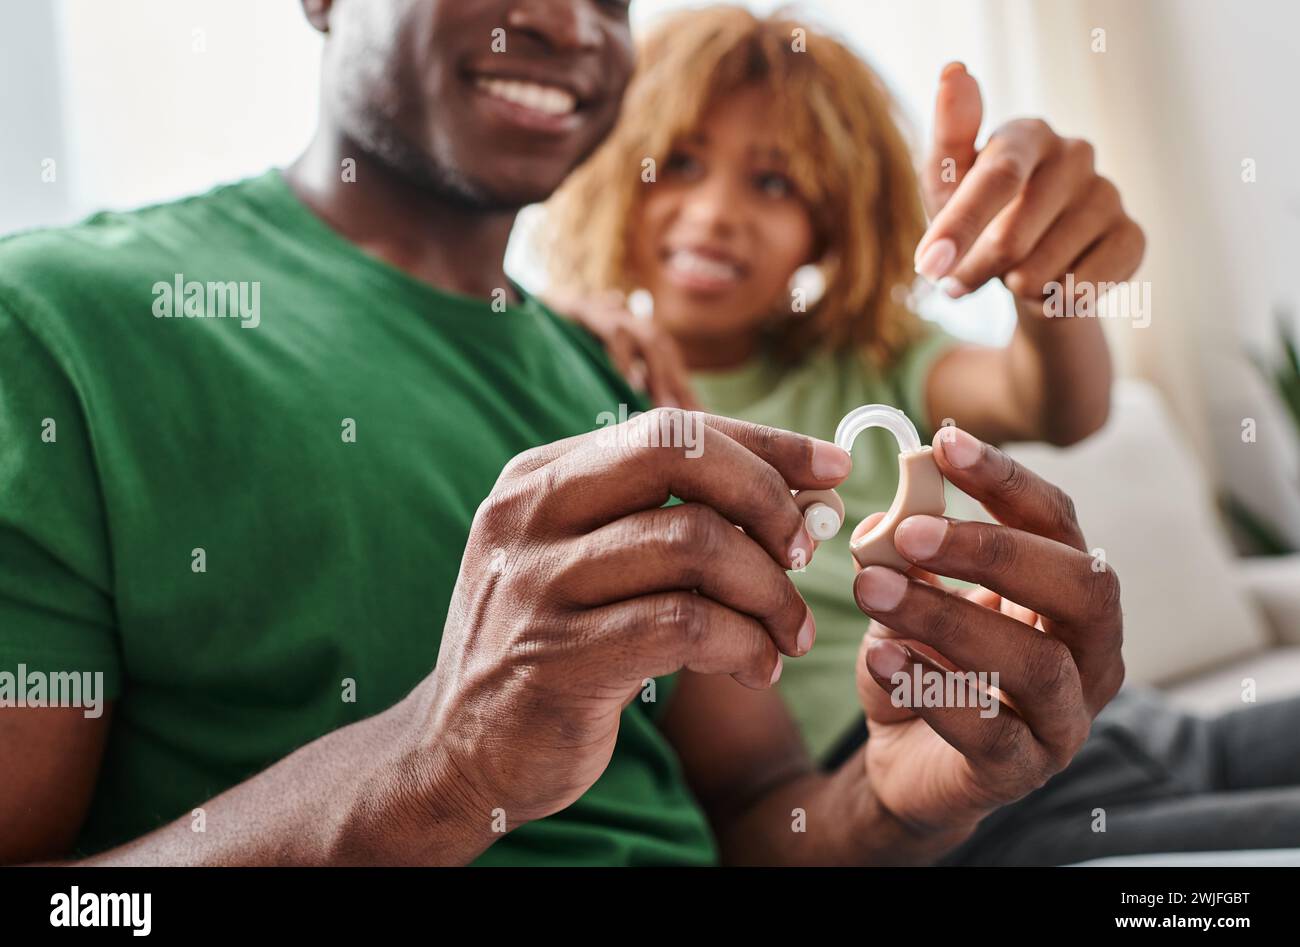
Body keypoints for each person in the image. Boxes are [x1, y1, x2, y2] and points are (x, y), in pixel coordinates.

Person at [0, 0, 1123, 866]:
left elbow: (756, 812)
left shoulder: (624, 387)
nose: (565, 21)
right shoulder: (52, 326)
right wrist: (435, 762)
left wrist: (901, 797)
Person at [545, 5, 1300, 864]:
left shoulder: (867, 361)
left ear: (827, 228)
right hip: (948, 795)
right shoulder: (584, 387)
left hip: (1118, 725)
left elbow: (1057, 402)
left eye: (773, 183)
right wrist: (557, 323)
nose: (715, 213)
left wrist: (1047, 290)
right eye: (678, 163)